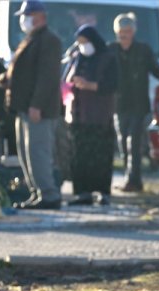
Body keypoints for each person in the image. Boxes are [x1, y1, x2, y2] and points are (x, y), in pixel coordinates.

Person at [0, 0, 62, 210]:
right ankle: (36, 192)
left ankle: (49, 195)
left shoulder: (49, 41)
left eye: (26, 15)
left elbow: (47, 77)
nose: (23, 20)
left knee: (38, 152)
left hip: (38, 110)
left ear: (39, 16)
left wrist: (37, 105)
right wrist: (7, 79)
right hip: (24, 107)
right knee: (26, 154)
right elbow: (24, 71)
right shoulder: (31, 40)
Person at [108, 12, 159, 193]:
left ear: (133, 32)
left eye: (128, 31)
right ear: (117, 32)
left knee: (133, 143)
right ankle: (129, 178)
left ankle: (134, 181)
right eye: (121, 31)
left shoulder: (143, 50)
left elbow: (156, 70)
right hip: (118, 105)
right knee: (122, 144)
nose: (124, 35)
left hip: (138, 105)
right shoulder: (110, 50)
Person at [64, 25, 119, 205]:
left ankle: (102, 192)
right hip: (79, 115)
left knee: (101, 155)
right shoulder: (76, 58)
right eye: (80, 42)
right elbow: (66, 79)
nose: (83, 46)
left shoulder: (108, 58)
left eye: (85, 42)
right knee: (79, 154)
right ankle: (82, 192)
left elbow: (113, 84)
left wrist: (90, 85)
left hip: (100, 116)